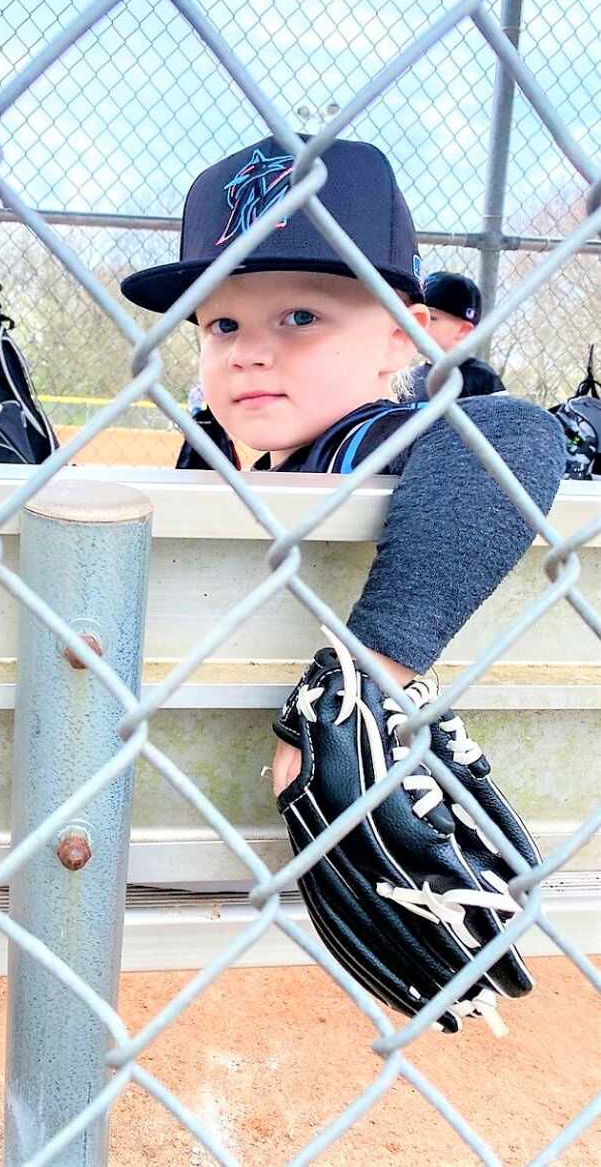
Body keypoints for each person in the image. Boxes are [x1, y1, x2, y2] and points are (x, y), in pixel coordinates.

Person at [120, 135, 566, 1029]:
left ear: (402, 338)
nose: (247, 353)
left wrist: (368, 678)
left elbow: (514, 433)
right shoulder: (260, 449)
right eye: (222, 323)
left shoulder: (371, 440)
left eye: (300, 318)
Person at [411, 271, 506, 398]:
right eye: (418, 316)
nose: (420, 323)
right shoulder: (411, 378)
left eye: (432, 318)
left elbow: (503, 416)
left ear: (463, 330)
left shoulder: (481, 378)